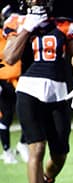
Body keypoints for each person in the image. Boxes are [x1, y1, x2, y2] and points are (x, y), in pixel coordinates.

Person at [3, 0, 73, 183]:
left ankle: (46, 182)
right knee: (37, 148)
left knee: (60, 153)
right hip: (28, 89)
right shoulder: (17, 22)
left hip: (58, 92)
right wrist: (27, 29)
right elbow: (9, 57)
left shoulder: (64, 25)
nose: (37, 1)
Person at [0, 4, 28, 164]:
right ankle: (7, 151)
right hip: (3, 81)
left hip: (18, 79)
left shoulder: (18, 32)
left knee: (29, 114)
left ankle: (23, 144)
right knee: (5, 118)